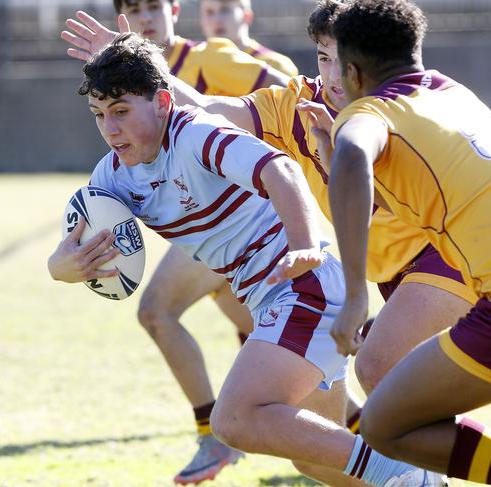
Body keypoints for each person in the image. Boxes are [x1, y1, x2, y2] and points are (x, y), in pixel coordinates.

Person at [66, 0, 491, 456]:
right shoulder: (293, 105)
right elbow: (212, 108)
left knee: (378, 369)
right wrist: (138, 64)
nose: (332, 73)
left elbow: (354, 160)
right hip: (398, 276)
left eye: (339, 58)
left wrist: (338, 270)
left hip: (444, 258)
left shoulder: (393, 106)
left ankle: (436, 471)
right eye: (321, 57)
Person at [48, 32, 447, 486]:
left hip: (305, 285)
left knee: (234, 419)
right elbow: (80, 241)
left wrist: (303, 245)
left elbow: (282, 169)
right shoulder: (115, 174)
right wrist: (61, 269)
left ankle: (409, 474)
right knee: (315, 460)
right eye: (99, 115)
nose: (110, 129)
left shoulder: (194, 134)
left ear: (162, 102)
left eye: (121, 112)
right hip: (272, 300)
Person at [327, 1, 491, 485]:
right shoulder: (454, 92)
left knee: (384, 424)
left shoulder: (369, 112)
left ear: (353, 73)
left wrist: (355, 293)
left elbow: (353, 153)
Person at [62, 1, 296, 482]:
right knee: (276, 341)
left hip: (251, 213)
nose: (144, 18)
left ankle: (214, 436)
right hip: (201, 225)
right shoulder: (122, 74)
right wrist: (64, 262)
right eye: (133, 10)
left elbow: (286, 96)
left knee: (158, 310)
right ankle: (366, 422)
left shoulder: (212, 58)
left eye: (153, 7)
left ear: (174, 9)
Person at [198, 0, 298, 76]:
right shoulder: (192, 64)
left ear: (247, 16)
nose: (217, 19)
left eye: (225, 10)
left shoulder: (276, 67)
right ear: (201, 20)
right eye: (209, 12)